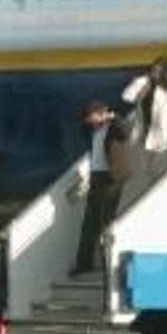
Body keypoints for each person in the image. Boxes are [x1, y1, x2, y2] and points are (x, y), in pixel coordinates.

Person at [71, 101, 129, 276]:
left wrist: (111, 116)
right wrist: (94, 121)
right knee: (89, 222)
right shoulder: (93, 130)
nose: (89, 121)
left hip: (111, 178)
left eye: (91, 117)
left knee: (107, 221)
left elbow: (126, 131)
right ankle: (84, 263)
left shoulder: (114, 127)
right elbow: (81, 129)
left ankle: (108, 264)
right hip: (96, 176)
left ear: (100, 114)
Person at [121, 56, 167, 183]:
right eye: (153, 69)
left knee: (154, 173)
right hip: (140, 135)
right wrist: (141, 86)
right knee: (141, 173)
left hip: (158, 140)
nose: (153, 73)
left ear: (166, 73)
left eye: (157, 71)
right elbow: (125, 97)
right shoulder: (144, 82)